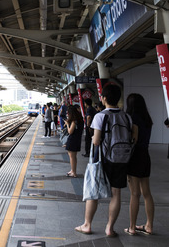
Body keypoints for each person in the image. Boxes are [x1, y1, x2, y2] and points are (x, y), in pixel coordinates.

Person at [75, 84, 137, 237]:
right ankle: (110, 228)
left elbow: (96, 141)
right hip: (121, 159)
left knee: (93, 193)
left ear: (103, 99)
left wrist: (93, 137)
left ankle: (87, 225)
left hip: (103, 160)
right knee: (116, 194)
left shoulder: (101, 116)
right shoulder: (126, 117)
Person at [124, 93, 154, 236]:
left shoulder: (133, 118)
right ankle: (149, 225)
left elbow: (133, 140)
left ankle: (132, 227)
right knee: (146, 193)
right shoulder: (147, 119)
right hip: (145, 155)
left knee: (135, 194)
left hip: (135, 156)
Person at [64, 105, 84, 177]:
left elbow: (70, 131)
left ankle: (74, 173)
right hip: (77, 140)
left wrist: (67, 124)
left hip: (72, 140)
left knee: (72, 157)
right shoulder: (80, 120)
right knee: (74, 157)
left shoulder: (74, 121)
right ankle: (72, 170)